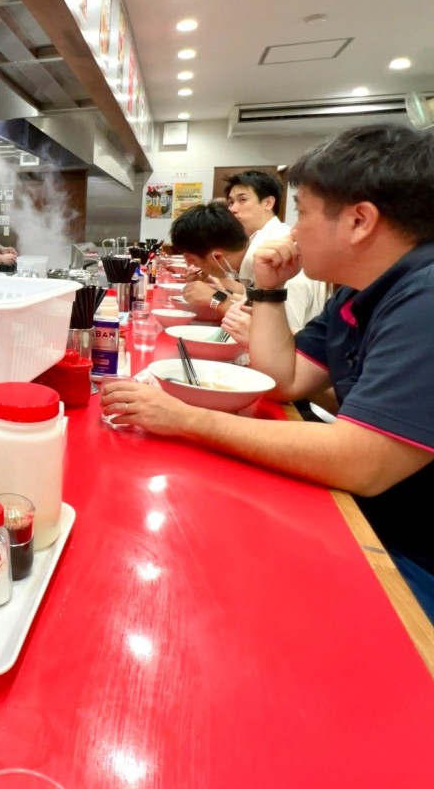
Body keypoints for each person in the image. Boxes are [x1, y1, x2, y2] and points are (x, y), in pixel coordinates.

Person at [103, 125, 434, 616]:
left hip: (412, 558)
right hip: (368, 523)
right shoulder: (357, 290)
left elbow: (362, 460)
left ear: (360, 221)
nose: (293, 232)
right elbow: (283, 382)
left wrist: (183, 419)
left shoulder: (425, 295)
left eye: (302, 212)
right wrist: (270, 290)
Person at [170, 202, 327, 338]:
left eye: (192, 260)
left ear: (217, 256)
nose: (293, 231)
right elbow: (256, 309)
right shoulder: (253, 257)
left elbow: (285, 340)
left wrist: (216, 299)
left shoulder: (279, 266)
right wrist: (220, 292)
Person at [224, 169, 289, 279]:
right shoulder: (251, 238)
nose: (233, 209)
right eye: (231, 202)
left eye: (242, 200)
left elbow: (290, 296)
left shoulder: (282, 241)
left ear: (268, 203)